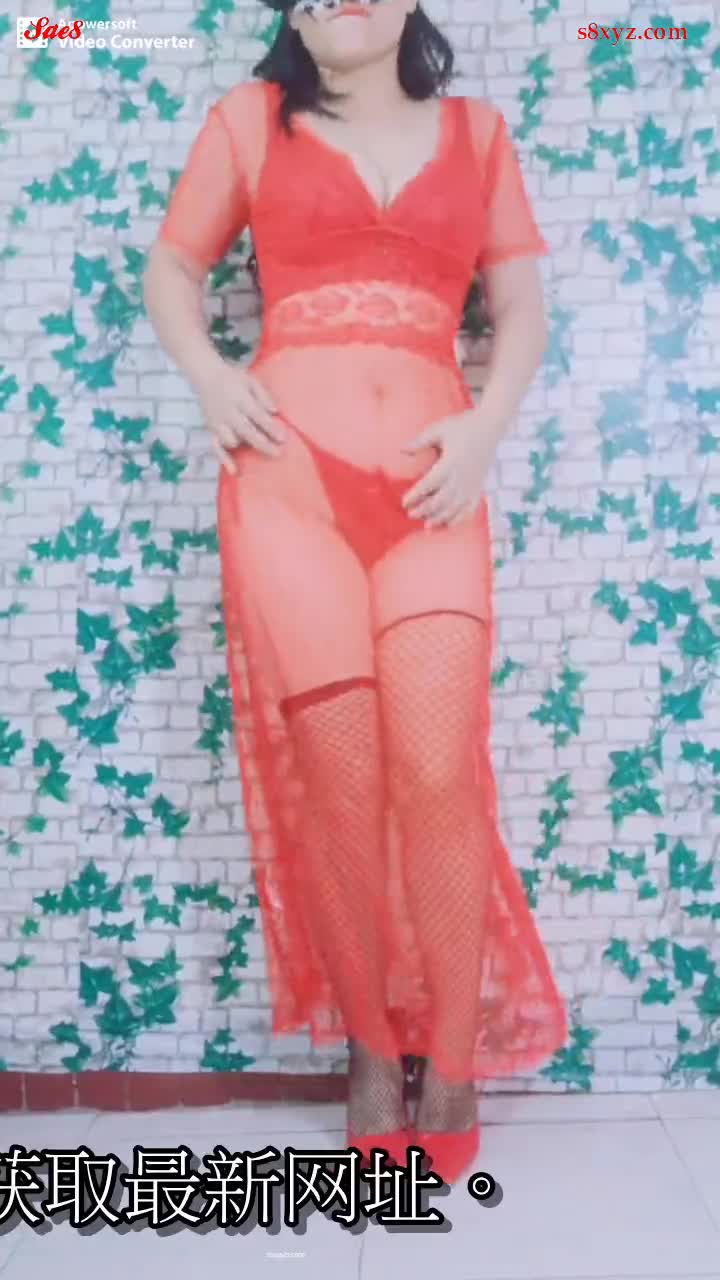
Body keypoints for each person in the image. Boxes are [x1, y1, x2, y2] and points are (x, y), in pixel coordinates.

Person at [143, 0, 567, 1184]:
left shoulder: (479, 136)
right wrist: (210, 376)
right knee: (338, 785)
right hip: (288, 490)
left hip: (435, 490)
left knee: (437, 773)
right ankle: (374, 1050)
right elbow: (171, 267)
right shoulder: (249, 121)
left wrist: (484, 428)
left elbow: (523, 310)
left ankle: (455, 1054)